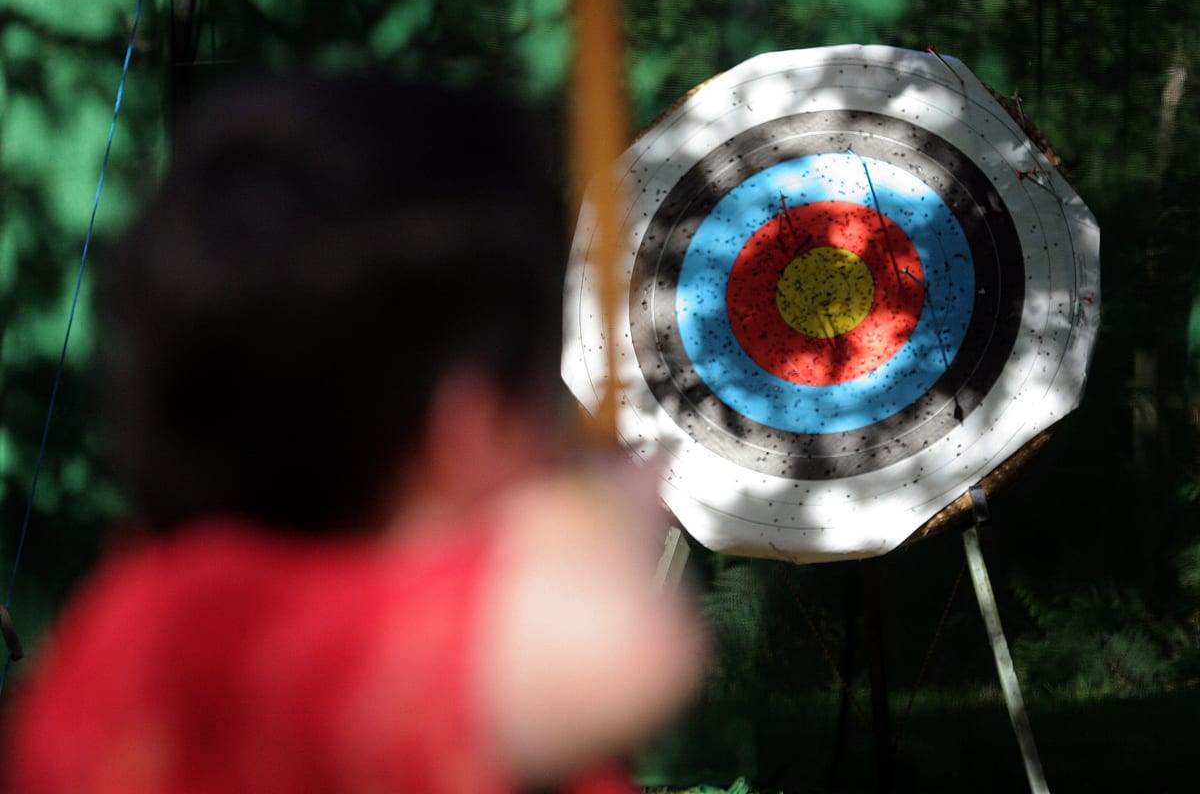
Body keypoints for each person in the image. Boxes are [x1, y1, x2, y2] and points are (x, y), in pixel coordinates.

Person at [4, 74, 704, 794]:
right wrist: (596, 515)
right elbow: (622, 647)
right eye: (539, 397)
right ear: (472, 423)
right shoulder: (186, 631)